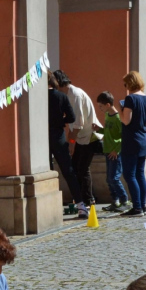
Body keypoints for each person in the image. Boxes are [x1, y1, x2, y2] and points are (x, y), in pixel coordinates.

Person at [54, 70, 103, 218]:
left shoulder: (74, 95)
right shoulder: (70, 94)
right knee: (79, 168)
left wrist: (71, 143)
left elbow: (78, 124)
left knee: (80, 169)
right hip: (82, 136)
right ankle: (85, 199)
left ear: (59, 83)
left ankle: (87, 200)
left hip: (87, 137)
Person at [47, 71, 83, 210]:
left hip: (43, 137)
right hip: (59, 136)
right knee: (68, 171)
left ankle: (50, 206)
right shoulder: (61, 96)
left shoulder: (38, 97)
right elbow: (72, 118)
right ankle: (80, 204)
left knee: (47, 172)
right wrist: (60, 120)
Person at [119, 70, 146, 216]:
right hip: (144, 139)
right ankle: (143, 206)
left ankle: (137, 207)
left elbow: (126, 120)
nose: (125, 86)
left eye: (125, 83)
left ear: (130, 83)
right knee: (140, 174)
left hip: (131, 140)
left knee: (129, 175)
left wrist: (119, 111)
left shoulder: (130, 99)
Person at [96, 91, 130, 212]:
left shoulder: (117, 118)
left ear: (108, 105)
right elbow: (108, 132)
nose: (99, 108)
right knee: (109, 178)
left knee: (114, 178)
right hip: (107, 150)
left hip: (115, 153)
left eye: (101, 106)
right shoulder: (107, 116)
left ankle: (124, 200)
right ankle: (115, 201)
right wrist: (99, 130)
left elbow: (123, 137)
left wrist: (116, 150)